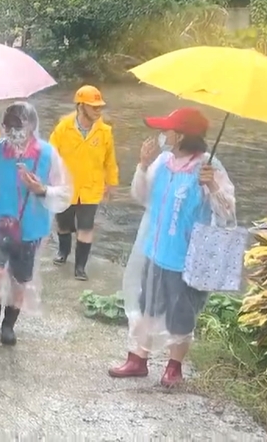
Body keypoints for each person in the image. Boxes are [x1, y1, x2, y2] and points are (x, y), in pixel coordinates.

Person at [109, 107, 235, 387]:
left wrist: (212, 185)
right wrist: (143, 165)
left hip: (185, 258)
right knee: (147, 307)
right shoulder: (162, 162)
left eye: (167, 130)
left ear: (179, 136)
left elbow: (227, 214)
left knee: (181, 314)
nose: (162, 134)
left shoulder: (208, 167)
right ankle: (138, 358)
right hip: (155, 250)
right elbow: (141, 197)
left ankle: (173, 367)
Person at [0, 102, 72, 347]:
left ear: (31, 126)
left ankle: (9, 326)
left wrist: (41, 189)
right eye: (8, 127)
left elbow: (64, 194)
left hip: (30, 227)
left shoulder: (47, 154)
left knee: (19, 281)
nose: (14, 132)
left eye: (19, 126)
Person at [48, 85, 119, 281]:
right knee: (63, 225)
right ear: (81, 106)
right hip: (65, 186)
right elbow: (50, 155)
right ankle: (63, 251)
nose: (98, 110)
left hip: (91, 187)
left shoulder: (105, 132)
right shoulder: (64, 128)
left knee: (86, 227)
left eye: (99, 106)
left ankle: (80, 267)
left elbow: (110, 161)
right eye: (93, 106)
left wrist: (112, 183)